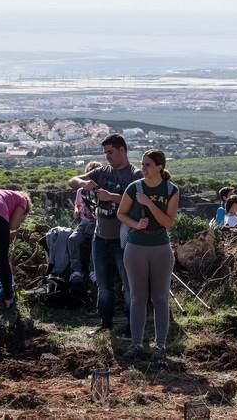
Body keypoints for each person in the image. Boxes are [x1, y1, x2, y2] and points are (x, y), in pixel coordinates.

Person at [68, 134, 143, 334]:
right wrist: (84, 184)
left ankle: (132, 326)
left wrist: (111, 197)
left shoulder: (135, 175)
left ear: (122, 150)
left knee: (129, 286)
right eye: (105, 153)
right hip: (100, 237)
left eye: (110, 152)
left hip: (124, 240)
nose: (107, 157)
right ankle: (106, 323)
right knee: (103, 284)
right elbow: (72, 181)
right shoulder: (102, 172)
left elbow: (139, 202)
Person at [117, 149, 179, 362]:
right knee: (138, 298)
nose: (142, 169)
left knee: (160, 298)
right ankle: (136, 344)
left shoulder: (171, 189)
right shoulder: (134, 188)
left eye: (147, 165)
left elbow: (168, 222)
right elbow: (121, 213)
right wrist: (136, 224)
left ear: (159, 166)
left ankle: (160, 346)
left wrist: (149, 204)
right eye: (142, 164)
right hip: (136, 247)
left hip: (160, 246)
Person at [68, 161, 102, 284]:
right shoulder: (81, 191)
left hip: (98, 222)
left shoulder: (101, 190)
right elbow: (78, 205)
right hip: (84, 221)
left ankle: (93, 270)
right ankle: (76, 270)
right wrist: (77, 211)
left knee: (95, 240)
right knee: (73, 239)